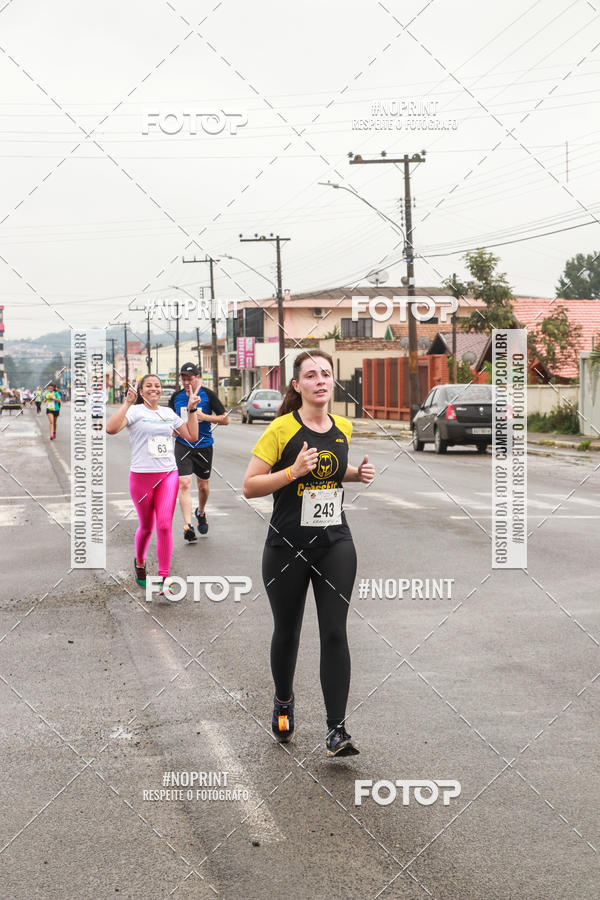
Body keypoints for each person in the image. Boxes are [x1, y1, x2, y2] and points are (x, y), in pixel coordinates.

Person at [243, 351, 375, 757]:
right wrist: (292, 472)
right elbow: (250, 486)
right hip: (286, 545)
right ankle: (283, 700)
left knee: (335, 631)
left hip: (335, 541)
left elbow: (329, 471)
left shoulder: (344, 427)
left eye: (327, 374)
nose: (321, 380)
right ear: (297, 386)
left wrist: (355, 474)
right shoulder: (281, 429)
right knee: (289, 631)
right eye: (311, 375)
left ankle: (337, 729)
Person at [106, 374, 200, 592]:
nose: (154, 389)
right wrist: (127, 402)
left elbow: (192, 435)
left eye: (157, 386)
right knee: (147, 527)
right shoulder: (135, 412)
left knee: (165, 524)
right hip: (141, 477)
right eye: (148, 386)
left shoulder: (168, 414)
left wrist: (192, 409)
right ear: (141, 390)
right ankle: (140, 562)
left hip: (167, 474)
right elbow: (111, 429)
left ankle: (164, 578)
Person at [168, 362, 229, 542]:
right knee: (185, 483)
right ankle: (188, 525)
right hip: (183, 444)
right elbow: (169, 420)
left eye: (190, 378)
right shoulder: (176, 397)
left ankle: (200, 511)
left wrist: (205, 417)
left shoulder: (208, 395)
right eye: (184, 378)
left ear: (197, 377)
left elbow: (225, 419)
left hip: (204, 446)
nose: (187, 382)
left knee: (203, 486)